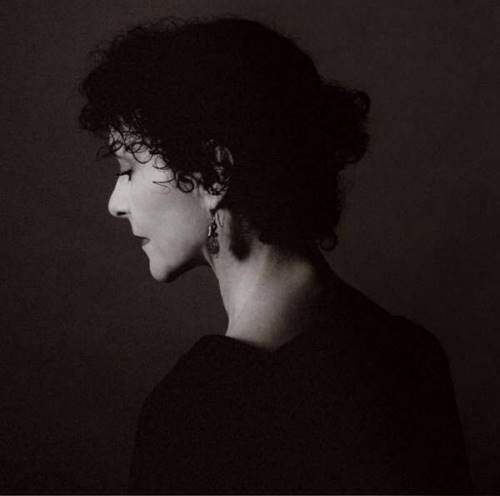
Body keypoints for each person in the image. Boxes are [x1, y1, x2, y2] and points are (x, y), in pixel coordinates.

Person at [79, 17, 472, 494]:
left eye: (128, 169)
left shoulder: (196, 413)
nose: (115, 203)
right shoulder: (413, 356)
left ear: (214, 174)